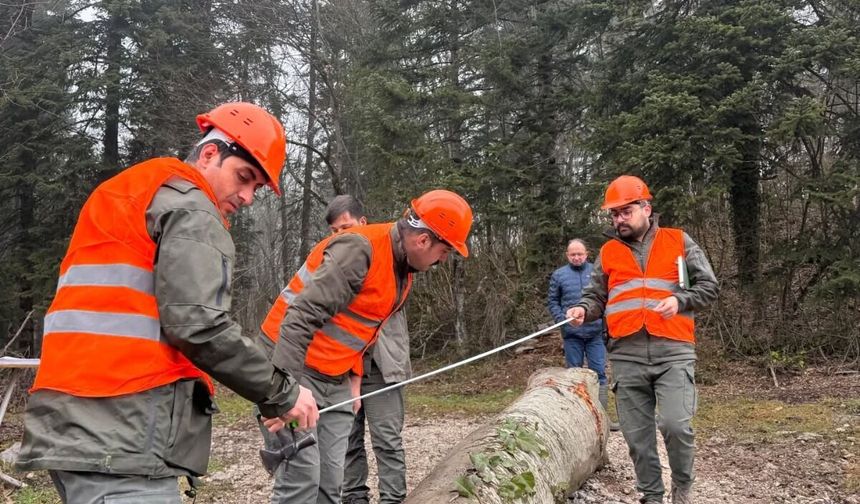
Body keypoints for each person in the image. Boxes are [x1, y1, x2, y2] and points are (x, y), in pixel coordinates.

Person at [15, 102, 319, 503]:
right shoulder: (191, 206)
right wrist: (282, 392)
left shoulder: (128, 191)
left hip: (73, 423)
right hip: (123, 434)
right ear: (210, 153)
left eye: (257, 188)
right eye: (244, 177)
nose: (247, 196)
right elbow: (200, 325)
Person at [257, 189, 473, 504]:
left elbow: (364, 330)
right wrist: (284, 393)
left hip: (336, 377)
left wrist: (355, 381)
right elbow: (299, 318)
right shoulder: (360, 250)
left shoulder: (403, 273)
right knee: (300, 480)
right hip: (290, 365)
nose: (443, 260)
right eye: (445, 251)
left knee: (330, 484)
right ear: (424, 240)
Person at [566, 175, 718, 504]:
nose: (619, 219)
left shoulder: (678, 241)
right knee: (637, 438)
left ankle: (682, 489)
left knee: (676, 425)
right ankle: (651, 496)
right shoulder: (608, 252)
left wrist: (680, 300)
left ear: (646, 208)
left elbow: (709, 287)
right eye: (614, 214)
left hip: (673, 351)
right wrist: (582, 310)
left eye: (626, 212)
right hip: (626, 355)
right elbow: (596, 297)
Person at [546, 239, 617, 430]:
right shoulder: (559, 275)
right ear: (567, 255)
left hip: (595, 333)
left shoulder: (596, 272)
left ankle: (602, 420)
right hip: (571, 335)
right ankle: (576, 421)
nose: (576, 257)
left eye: (580, 254)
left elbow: (605, 298)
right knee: (573, 375)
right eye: (573, 254)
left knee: (599, 374)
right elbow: (552, 301)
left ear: (586, 254)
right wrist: (562, 319)